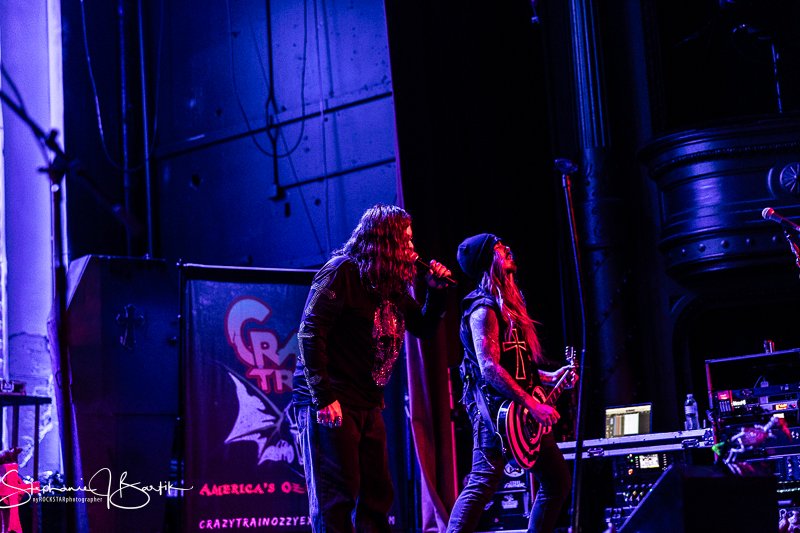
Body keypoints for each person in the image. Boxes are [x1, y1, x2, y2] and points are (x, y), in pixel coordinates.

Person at [292, 203, 452, 532]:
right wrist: (323, 397)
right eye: (406, 240)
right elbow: (309, 332)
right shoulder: (341, 272)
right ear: (387, 241)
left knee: (377, 495)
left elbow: (422, 328)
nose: (412, 247)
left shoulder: (389, 285)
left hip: (366, 401)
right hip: (330, 398)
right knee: (336, 497)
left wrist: (436, 294)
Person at [446, 233, 573, 533]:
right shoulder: (482, 308)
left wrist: (550, 378)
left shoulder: (509, 304)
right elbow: (489, 368)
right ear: (486, 260)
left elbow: (516, 366)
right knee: (481, 484)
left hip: (522, 413)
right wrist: (533, 404)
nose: (507, 250)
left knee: (556, 480)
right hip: (494, 414)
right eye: (499, 248)